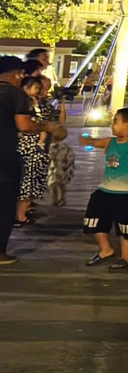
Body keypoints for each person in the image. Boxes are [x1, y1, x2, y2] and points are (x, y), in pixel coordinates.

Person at [79, 107, 128, 268]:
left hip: (125, 194)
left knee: (125, 225)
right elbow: (97, 142)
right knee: (94, 217)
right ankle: (106, 249)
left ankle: (127, 257)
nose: (112, 124)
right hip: (105, 190)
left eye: (116, 121)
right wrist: (88, 140)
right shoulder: (111, 141)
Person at [0, 56, 43, 265]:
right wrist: (46, 127)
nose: (22, 78)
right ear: (14, 73)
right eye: (21, 74)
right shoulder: (16, 94)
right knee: (6, 204)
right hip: (5, 156)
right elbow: (24, 125)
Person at [15, 74, 60, 228]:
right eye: (38, 88)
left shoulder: (41, 105)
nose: (41, 91)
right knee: (25, 182)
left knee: (32, 181)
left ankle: (23, 212)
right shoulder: (22, 104)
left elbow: (54, 123)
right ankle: (20, 215)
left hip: (36, 148)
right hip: (26, 147)